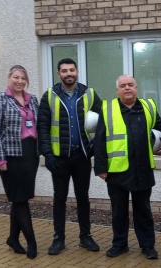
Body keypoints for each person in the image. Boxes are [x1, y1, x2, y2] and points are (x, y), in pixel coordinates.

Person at [93, 75, 161, 259]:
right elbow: (99, 140)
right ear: (117, 90)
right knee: (119, 211)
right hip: (117, 171)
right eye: (123, 86)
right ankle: (119, 244)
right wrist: (101, 167)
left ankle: (148, 246)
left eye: (130, 85)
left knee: (144, 211)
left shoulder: (148, 106)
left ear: (136, 88)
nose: (127, 88)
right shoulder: (107, 109)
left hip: (142, 169)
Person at [37, 58, 102, 255]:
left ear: (77, 72)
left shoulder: (89, 94)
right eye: (64, 71)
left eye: (71, 70)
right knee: (59, 199)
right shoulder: (49, 96)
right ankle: (59, 239)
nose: (68, 74)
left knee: (83, 198)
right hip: (59, 158)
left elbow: (103, 122)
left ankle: (85, 237)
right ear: (59, 74)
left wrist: (93, 147)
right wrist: (47, 154)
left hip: (81, 156)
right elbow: (42, 127)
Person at [0, 65, 39, 259]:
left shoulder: (32, 99)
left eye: (23, 78)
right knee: (19, 199)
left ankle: (12, 238)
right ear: (9, 78)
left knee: (21, 197)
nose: (20, 81)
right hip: (9, 155)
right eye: (16, 77)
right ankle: (31, 242)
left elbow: (39, 124)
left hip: (30, 154)